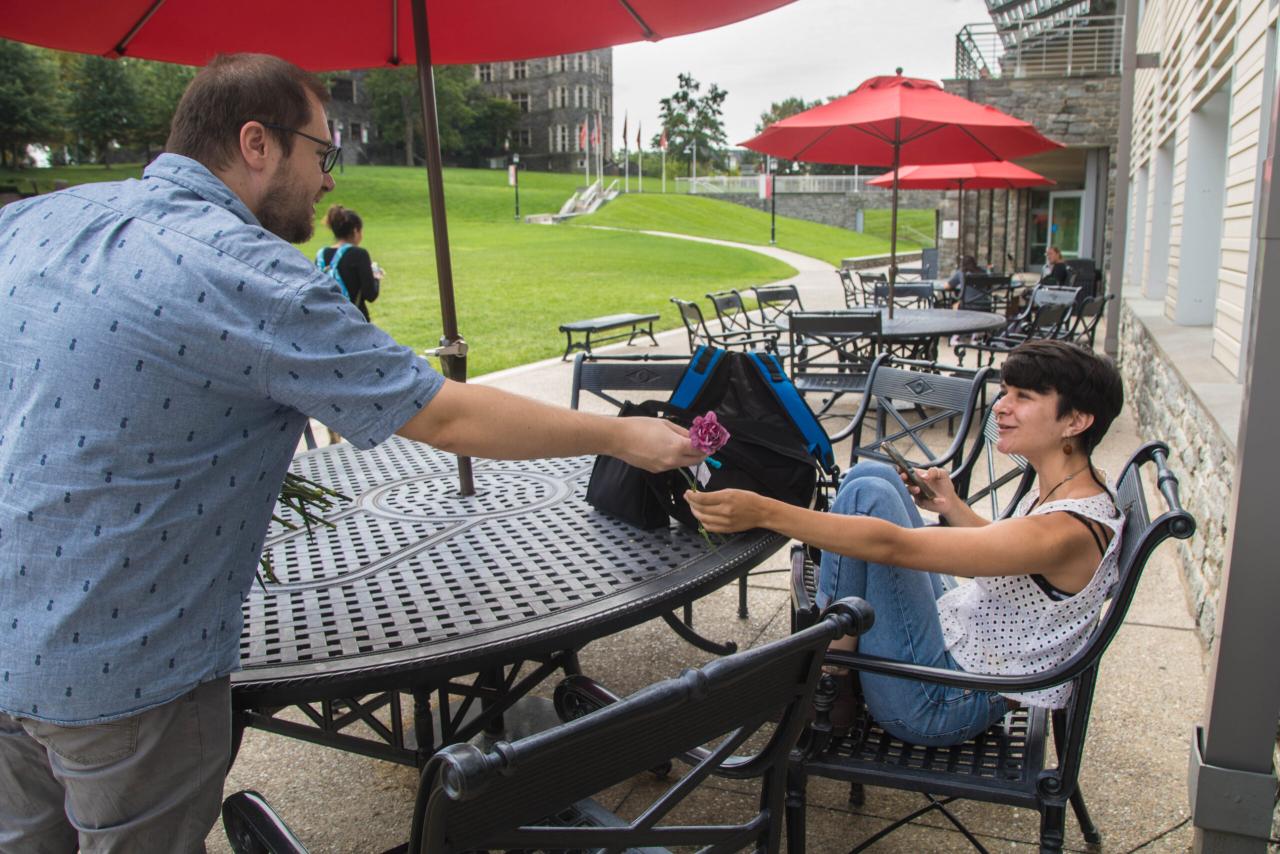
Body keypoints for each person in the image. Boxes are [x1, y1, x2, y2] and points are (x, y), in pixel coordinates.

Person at [0, 53, 702, 853]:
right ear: (257, 143)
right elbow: (442, 415)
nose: (329, 180)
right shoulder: (249, 275)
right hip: (123, 675)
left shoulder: (35, 221)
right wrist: (620, 433)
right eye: (322, 153)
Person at [686, 339, 1124, 746]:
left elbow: (896, 548)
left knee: (865, 496)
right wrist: (950, 505)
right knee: (870, 478)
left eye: (1023, 398)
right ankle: (834, 673)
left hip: (942, 701)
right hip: (965, 646)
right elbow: (1007, 555)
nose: (1001, 408)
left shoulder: (1066, 529)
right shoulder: (1075, 486)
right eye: (1005, 392)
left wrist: (767, 511)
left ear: (1076, 420)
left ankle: (828, 677)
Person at [317, 204, 380, 321]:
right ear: (356, 230)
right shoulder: (359, 254)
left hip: (327, 321)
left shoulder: (321, 255)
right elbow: (370, 295)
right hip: (354, 321)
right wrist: (376, 277)